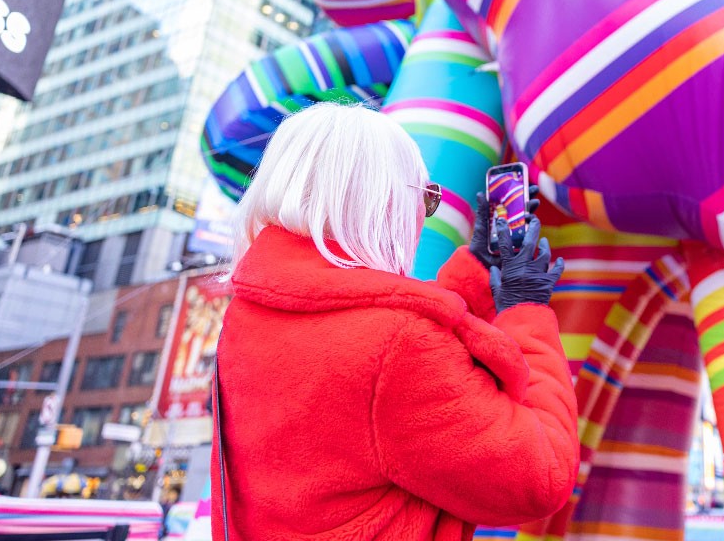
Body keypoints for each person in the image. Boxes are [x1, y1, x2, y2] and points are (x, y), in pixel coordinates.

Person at [211, 103, 577, 540]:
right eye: (425, 198)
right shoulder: (399, 346)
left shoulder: (248, 315)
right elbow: (539, 475)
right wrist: (527, 310)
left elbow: (375, 386)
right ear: (383, 199)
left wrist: (478, 269)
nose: (422, 216)